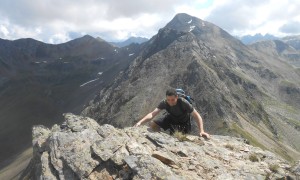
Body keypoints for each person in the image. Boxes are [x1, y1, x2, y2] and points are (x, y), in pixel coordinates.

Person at [134, 88, 210, 139]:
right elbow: (152, 114)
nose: (170, 102)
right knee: (153, 124)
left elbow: (197, 116)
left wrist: (201, 131)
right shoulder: (164, 102)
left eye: (172, 99)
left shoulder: (183, 102)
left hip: (184, 123)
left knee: (179, 139)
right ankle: (158, 139)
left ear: (177, 97)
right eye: (168, 100)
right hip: (171, 119)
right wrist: (140, 122)